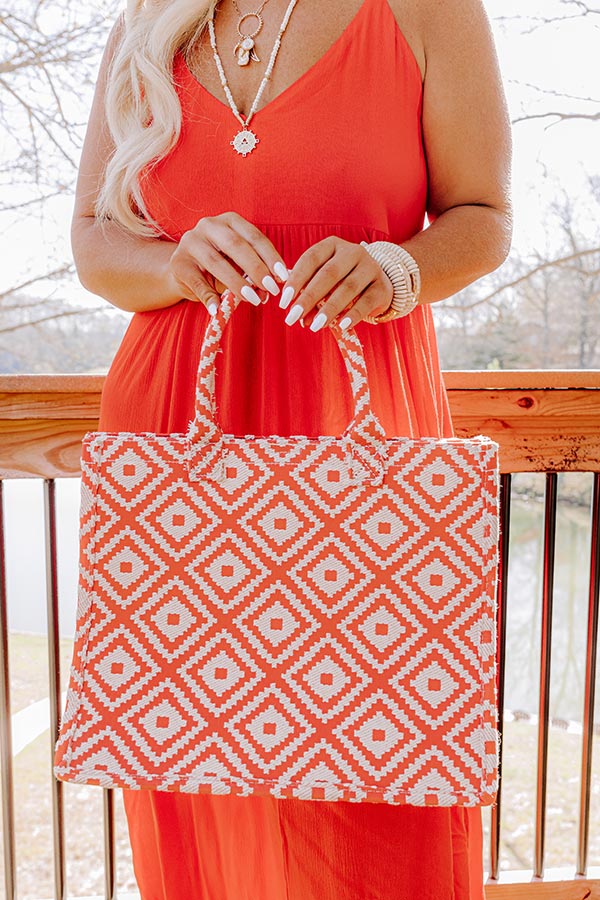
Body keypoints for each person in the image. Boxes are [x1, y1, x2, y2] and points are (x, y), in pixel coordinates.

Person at [71, 0, 512, 896]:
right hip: (177, 435)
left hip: (357, 423)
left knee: (382, 749)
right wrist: (171, 266)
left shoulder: (430, 10)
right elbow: (92, 238)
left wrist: (398, 271)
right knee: (192, 743)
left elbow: (485, 215)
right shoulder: (150, 22)